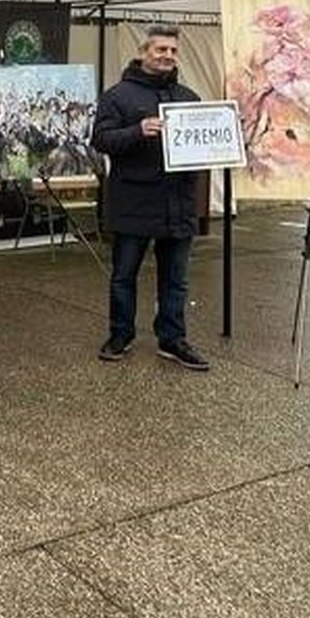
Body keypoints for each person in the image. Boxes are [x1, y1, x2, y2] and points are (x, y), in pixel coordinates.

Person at [90, 24, 210, 371]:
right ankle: (120, 335)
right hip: (134, 202)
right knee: (124, 275)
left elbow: (202, 143)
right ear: (143, 52)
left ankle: (172, 340)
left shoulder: (189, 98)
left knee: (176, 279)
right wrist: (137, 131)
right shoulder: (117, 96)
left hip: (179, 203)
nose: (167, 56)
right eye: (160, 50)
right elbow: (101, 139)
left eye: (172, 51)